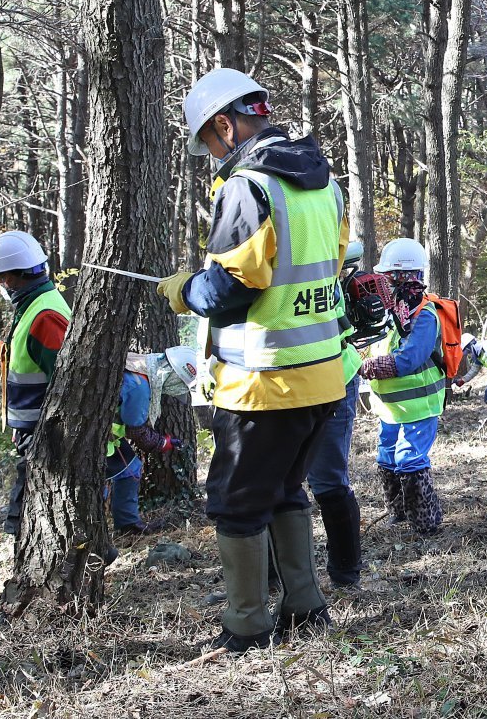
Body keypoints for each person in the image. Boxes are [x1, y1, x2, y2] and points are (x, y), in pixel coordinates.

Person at [157, 67, 347, 652]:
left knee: (237, 505)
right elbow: (327, 266)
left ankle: (246, 625)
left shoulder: (249, 185)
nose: (211, 154)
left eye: (210, 143)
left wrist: (184, 289)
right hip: (323, 377)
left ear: (226, 124)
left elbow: (230, 286)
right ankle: (305, 608)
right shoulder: (322, 181)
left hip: (263, 383)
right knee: (287, 491)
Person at [0, 231, 71, 537]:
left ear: (11, 278)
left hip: (43, 433)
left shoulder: (44, 315)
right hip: (32, 429)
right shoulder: (33, 305)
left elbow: (66, 381)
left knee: (23, 512)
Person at [361, 238, 445, 537]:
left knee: (409, 460)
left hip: (419, 404)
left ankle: (426, 522)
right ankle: (398, 514)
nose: (384, 283)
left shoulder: (424, 315)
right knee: (386, 456)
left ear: (405, 278)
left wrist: (373, 367)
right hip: (389, 408)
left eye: (389, 278)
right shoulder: (387, 314)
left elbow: (410, 358)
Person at [304, 242, 368, 588]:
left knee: (329, 482)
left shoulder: (317, 270)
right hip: (289, 387)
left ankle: (345, 574)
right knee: (281, 486)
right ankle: (277, 577)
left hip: (334, 382)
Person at [106, 347, 198, 536]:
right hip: (100, 440)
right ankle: (118, 528)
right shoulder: (139, 385)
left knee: (130, 468)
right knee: (103, 481)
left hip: (103, 435)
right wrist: (164, 443)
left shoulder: (137, 367)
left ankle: (127, 524)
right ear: (170, 375)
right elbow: (137, 431)